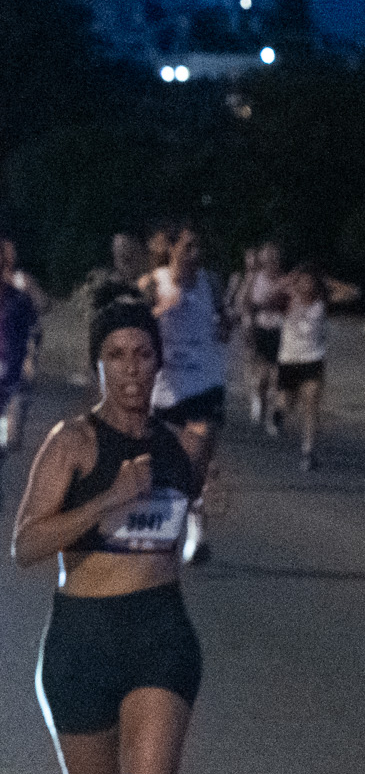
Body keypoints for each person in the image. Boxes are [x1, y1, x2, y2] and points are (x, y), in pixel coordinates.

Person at [9, 300, 213, 774]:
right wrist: (107, 504)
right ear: (100, 363)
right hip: (81, 642)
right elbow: (26, 547)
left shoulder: (183, 447)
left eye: (144, 354)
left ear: (159, 362)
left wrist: (207, 503)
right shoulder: (72, 443)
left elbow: (186, 520)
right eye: (118, 355)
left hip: (160, 635)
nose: (133, 369)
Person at [142, 225, 229, 563]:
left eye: (198, 247)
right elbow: (134, 326)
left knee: (195, 464)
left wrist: (225, 325)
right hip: (163, 388)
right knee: (163, 469)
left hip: (205, 384)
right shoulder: (152, 284)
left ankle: (194, 536)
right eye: (188, 246)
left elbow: (223, 320)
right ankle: (169, 529)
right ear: (171, 248)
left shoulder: (211, 283)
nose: (195, 254)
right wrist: (160, 309)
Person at [273, 265, 359, 473]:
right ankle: (278, 412)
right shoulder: (287, 299)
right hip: (289, 360)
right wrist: (287, 281)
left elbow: (354, 293)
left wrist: (328, 281)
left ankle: (308, 451)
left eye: (311, 281)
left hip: (313, 359)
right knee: (287, 403)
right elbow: (267, 297)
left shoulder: (322, 301)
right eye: (303, 281)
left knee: (311, 405)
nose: (307, 285)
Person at [230, 243, 288, 433]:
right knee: (263, 374)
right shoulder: (256, 279)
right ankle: (259, 399)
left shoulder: (283, 279)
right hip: (261, 328)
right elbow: (246, 304)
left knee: (277, 375)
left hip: (279, 328)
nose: (272, 262)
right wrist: (250, 329)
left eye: (275, 258)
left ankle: (273, 416)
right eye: (268, 259)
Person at [0, 237, 44, 467]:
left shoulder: (20, 291)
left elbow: (35, 324)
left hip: (12, 370)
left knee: (10, 442)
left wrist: (30, 358)